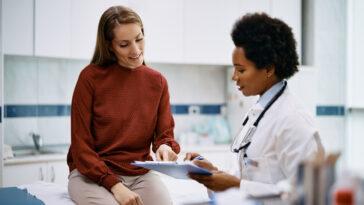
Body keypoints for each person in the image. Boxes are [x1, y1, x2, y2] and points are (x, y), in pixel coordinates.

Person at [185, 13, 325, 196]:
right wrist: (212, 173)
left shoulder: (294, 120)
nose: (234, 77)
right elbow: (248, 175)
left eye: (241, 70)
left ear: (269, 69)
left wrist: (236, 186)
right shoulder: (257, 112)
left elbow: (308, 193)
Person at [67, 5, 180, 205]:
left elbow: (164, 134)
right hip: (91, 175)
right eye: (124, 44)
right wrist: (115, 186)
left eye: (139, 39)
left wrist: (164, 147)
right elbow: (81, 147)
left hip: (139, 174)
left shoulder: (157, 82)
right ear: (110, 45)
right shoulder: (90, 78)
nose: (136, 50)